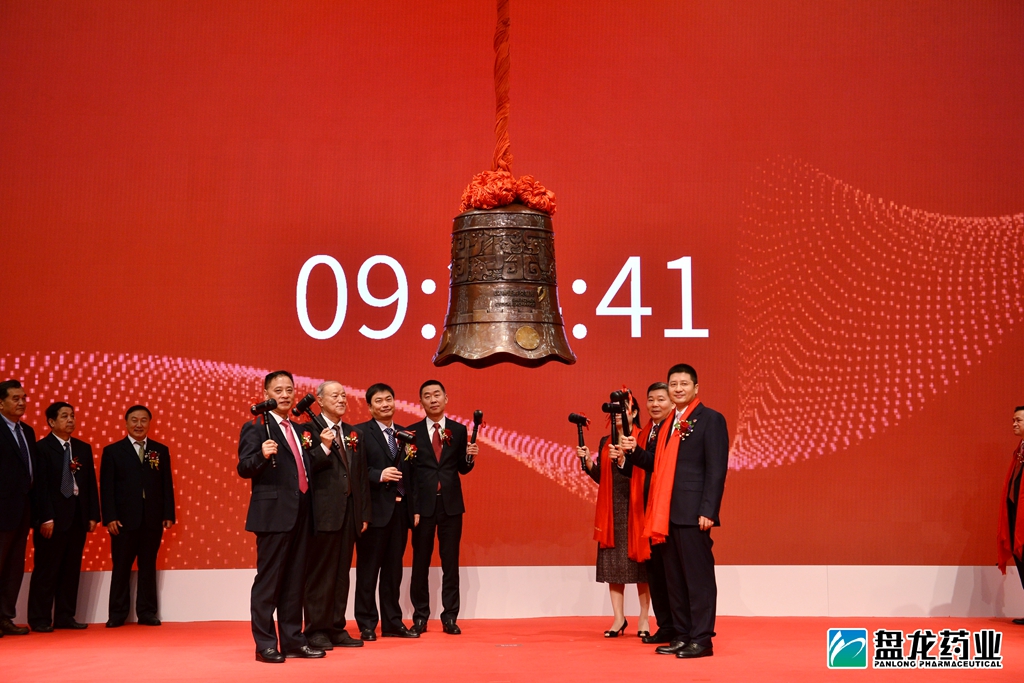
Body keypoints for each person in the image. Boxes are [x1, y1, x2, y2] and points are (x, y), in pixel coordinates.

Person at [627, 364, 728, 659]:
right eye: (674, 384)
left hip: (693, 513)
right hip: (665, 514)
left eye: (684, 383)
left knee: (698, 580)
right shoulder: (668, 423)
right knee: (675, 580)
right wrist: (634, 451)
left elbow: (716, 469)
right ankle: (682, 635)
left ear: (696, 388)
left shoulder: (710, 419)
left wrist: (708, 510)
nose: (678, 388)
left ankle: (702, 639)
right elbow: (656, 464)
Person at [237, 370, 325, 663]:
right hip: (274, 515)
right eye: (279, 390)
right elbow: (244, 468)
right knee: (269, 582)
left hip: (302, 513)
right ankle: (265, 644)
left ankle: (293, 641)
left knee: (295, 581)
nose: (285, 395)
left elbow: (303, 468)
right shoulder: (255, 428)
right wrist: (261, 455)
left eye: (289, 389)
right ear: (266, 395)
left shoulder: (298, 430)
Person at [302, 381, 371, 650]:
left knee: (342, 574)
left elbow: (361, 476)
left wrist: (363, 512)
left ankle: (336, 627)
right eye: (335, 395)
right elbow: (307, 467)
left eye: (343, 395)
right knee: (321, 573)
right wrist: (324, 447)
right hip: (323, 513)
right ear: (319, 400)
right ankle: (316, 629)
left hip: (349, 513)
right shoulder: (308, 430)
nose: (341, 399)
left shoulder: (354, 433)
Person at [577, 393, 650, 638]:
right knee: (613, 566)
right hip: (612, 508)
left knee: (642, 567)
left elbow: (647, 472)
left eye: (623, 409)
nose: (617, 414)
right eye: (614, 411)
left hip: (637, 505)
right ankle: (619, 618)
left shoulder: (643, 437)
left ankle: (644, 618)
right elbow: (602, 477)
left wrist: (624, 460)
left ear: (634, 413)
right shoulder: (605, 441)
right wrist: (588, 463)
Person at [408, 380, 477, 635]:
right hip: (423, 507)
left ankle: (450, 617)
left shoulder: (458, 430)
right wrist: (412, 507)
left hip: (451, 505)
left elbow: (462, 468)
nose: (433, 399)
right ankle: (420, 617)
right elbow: (410, 474)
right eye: (427, 396)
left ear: (446, 398)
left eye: (437, 394)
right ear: (421, 402)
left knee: (450, 562)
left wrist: (470, 457)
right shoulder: (412, 432)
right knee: (420, 562)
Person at [100, 405, 176, 628]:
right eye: (134, 420)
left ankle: (147, 612)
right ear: (126, 423)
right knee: (121, 567)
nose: (139, 424)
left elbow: (166, 484)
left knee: (148, 567)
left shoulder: (159, 450)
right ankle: (117, 614)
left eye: (144, 420)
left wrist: (168, 513)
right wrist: (110, 517)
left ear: (149, 423)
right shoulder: (113, 451)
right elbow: (106, 487)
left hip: (152, 519)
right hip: (122, 521)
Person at [354, 383, 418, 640]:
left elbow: (413, 475)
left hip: (400, 513)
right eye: (378, 401)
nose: (385, 404)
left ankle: (393, 622)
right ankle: (367, 623)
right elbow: (355, 471)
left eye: (388, 399)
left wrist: (414, 509)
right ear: (370, 407)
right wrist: (379, 475)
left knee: (394, 571)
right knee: (368, 571)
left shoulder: (406, 434)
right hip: (374, 512)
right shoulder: (359, 433)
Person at [27, 402, 100, 631]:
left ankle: (65, 616)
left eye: (72, 415)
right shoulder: (41, 448)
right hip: (52, 520)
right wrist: (46, 517)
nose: (70, 420)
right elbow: (40, 488)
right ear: (51, 422)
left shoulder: (82, 448)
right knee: (46, 570)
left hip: (77, 518)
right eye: (64, 416)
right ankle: (39, 619)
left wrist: (93, 515)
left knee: (71, 570)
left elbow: (89, 484)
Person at [632, 382, 676, 644]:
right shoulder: (647, 431)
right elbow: (641, 467)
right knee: (655, 573)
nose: (655, 404)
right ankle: (666, 626)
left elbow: (654, 463)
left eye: (661, 399)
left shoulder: (673, 431)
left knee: (670, 574)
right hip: (646, 511)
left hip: (666, 512)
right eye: (651, 399)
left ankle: (679, 627)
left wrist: (634, 452)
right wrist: (626, 457)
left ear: (672, 403)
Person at [0, 379, 34, 636]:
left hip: (22, 510)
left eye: (23, 398)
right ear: (1, 403)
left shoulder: (27, 431)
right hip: (1, 510)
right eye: (15, 398)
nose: (21, 402)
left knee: (14, 567)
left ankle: (5, 618)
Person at [997, 405, 1024, 624]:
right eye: (1013, 420)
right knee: (1021, 559)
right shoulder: (1020, 449)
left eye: (1019, 420)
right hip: (1017, 514)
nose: (1014, 424)